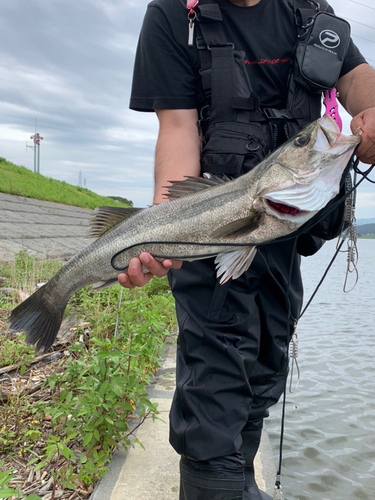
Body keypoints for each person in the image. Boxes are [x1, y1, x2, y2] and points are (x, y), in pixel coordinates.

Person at [119, 1, 375, 498]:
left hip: (281, 237)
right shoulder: (174, 14)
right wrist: (160, 229)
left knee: (263, 374)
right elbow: (177, 127)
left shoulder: (308, 10)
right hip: (209, 234)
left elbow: (358, 77)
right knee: (213, 394)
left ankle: (241, 486)